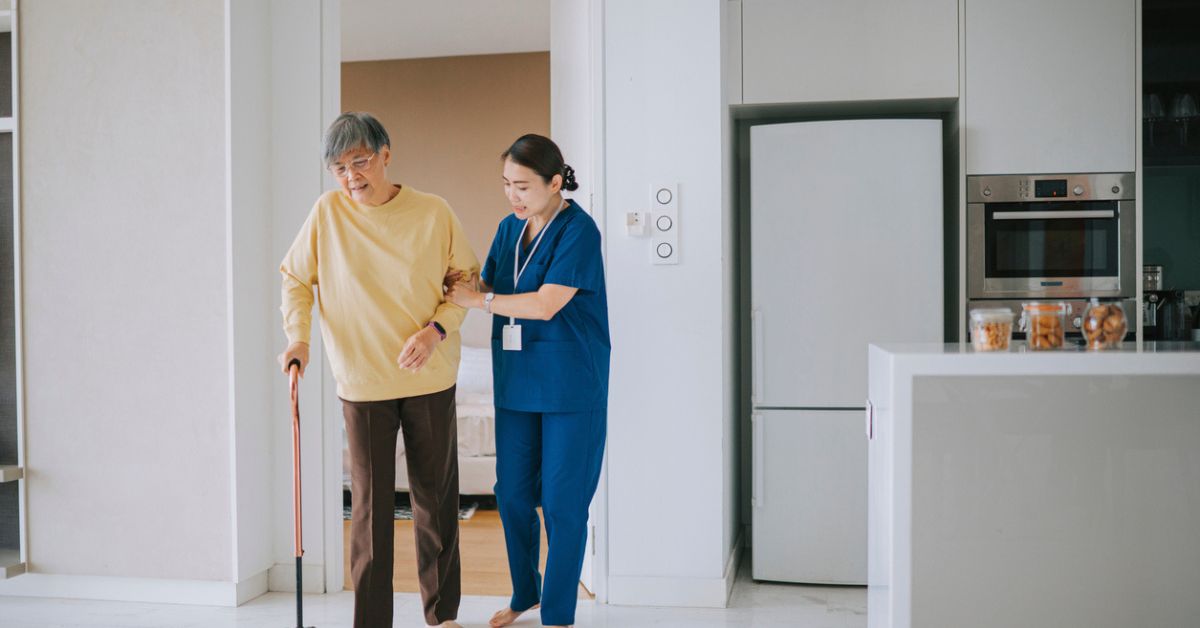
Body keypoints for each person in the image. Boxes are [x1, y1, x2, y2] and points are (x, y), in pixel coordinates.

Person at [278, 112, 478, 628]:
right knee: (368, 512)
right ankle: (371, 622)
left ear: (386, 155)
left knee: (435, 501)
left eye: (360, 162)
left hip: (429, 377)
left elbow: (466, 283)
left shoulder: (433, 212)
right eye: (339, 168)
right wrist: (298, 338)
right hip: (362, 381)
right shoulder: (327, 215)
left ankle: (443, 615)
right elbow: (295, 278)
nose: (351, 177)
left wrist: (435, 332)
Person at [446, 134, 609, 628]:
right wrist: (457, 283)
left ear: (555, 182)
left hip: (569, 385)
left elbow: (544, 304)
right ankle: (525, 593)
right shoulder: (508, 229)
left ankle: (557, 615)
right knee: (512, 493)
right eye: (506, 185)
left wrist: (478, 303)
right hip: (517, 381)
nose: (512, 196)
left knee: (562, 505)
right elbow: (492, 282)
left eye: (522, 186)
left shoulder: (579, 231)